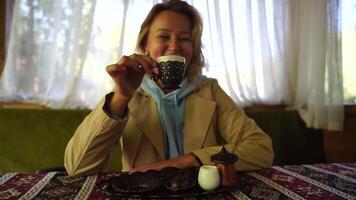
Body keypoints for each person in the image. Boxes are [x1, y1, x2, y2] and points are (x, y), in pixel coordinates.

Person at [64, 0, 274, 176]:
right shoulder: (128, 92)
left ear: (193, 50)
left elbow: (261, 148)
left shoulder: (209, 89)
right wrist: (121, 97)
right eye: (163, 36)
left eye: (184, 39)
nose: (174, 46)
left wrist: (187, 161)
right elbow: (77, 168)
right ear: (146, 44)